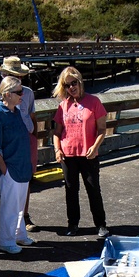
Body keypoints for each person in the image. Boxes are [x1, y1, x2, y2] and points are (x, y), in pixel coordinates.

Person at [52, 67, 109, 238]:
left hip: (88, 154)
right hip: (68, 154)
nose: (71, 87)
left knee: (93, 189)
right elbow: (57, 132)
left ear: (80, 81)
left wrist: (95, 146)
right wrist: (57, 149)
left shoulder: (94, 102)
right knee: (71, 190)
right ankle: (73, 224)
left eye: (74, 83)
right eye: (67, 85)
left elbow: (102, 129)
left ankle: (100, 224)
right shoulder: (63, 105)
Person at [0, 56, 39, 232]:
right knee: (10, 197)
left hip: (24, 144)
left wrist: (33, 142)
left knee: (23, 189)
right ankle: (8, 237)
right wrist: (4, 170)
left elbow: (32, 118)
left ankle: (21, 227)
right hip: (9, 151)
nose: (21, 93)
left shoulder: (25, 96)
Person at [0, 77, 34, 254]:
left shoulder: (15, 111)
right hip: (10, 167)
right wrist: (4, 170)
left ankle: (19, 234)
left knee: (20, 205)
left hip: (22, 166)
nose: (23, 95)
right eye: (19, 92)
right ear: (7, 94)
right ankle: (6, 241)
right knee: (9, 207)